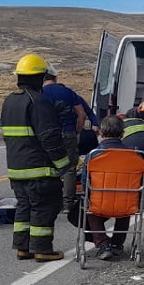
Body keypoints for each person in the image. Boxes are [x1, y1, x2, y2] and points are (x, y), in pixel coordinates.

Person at [2, 53, 69, 262]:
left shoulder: (9, 101)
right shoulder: (38, 101)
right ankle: (42, 249)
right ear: (40, 77)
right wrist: (64, 165)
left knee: (24, 207)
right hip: (38, 169)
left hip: (16, 169)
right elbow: (49, 137)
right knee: (44, 207)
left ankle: (23, 247)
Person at [76, 116, 136, 260]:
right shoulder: (134, 155)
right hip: (125, 202)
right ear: (122, 134)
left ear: (101, 133)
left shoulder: (94, 155)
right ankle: (117, 244)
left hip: (100, 201)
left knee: (90, 208)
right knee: (126, 205)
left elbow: (85, 181)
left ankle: (103, 244)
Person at [41, 64, 88, 210]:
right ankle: (68, 203)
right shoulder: (67, 92)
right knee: (69, 169)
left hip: (48, 135)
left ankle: (51, 201)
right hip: (68, 133)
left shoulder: (39, 93)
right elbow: (82, 114)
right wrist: (77, 131)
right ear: (55, 77)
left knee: (48, 167)